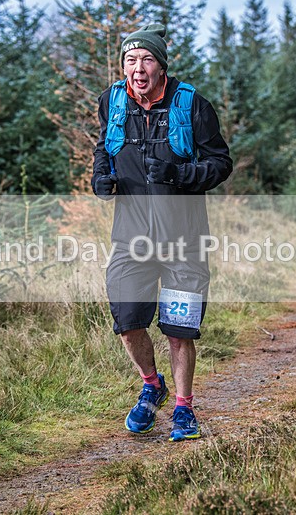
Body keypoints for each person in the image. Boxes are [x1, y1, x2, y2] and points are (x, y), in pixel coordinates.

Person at [91, 24, 233, 442]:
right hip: (131, 237)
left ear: (161, 67)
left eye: (146, 59)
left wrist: (181, 174)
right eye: (130, 60)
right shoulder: (113, 102)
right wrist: (101, 175)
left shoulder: (192, 107)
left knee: (179, 328)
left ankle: (184, 409)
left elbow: (221, 163)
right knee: (126, 318)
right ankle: (151, 383)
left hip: (183, 238)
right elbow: (105, 147)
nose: (138, 68)